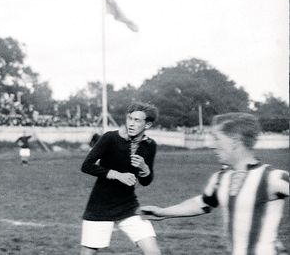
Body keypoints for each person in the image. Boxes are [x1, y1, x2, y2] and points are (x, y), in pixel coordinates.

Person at [139, 113, 289, 254]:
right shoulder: (222, 178)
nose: (212, 145)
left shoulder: (272, 178)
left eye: (217, 138)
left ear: (234, 141)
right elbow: (203, 203)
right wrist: (164, 212)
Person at [79, 102, 161, 255]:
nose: (131, 123)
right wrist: (117, 175)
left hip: (128, 206)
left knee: (153, 251)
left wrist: (144, 168)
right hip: (100, 205)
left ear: (147, 125)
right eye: (130, 118)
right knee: (88, 253)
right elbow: (86, 166)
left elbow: (146, 181)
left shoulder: (150, 145)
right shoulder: (110, 138)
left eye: (137, 120)